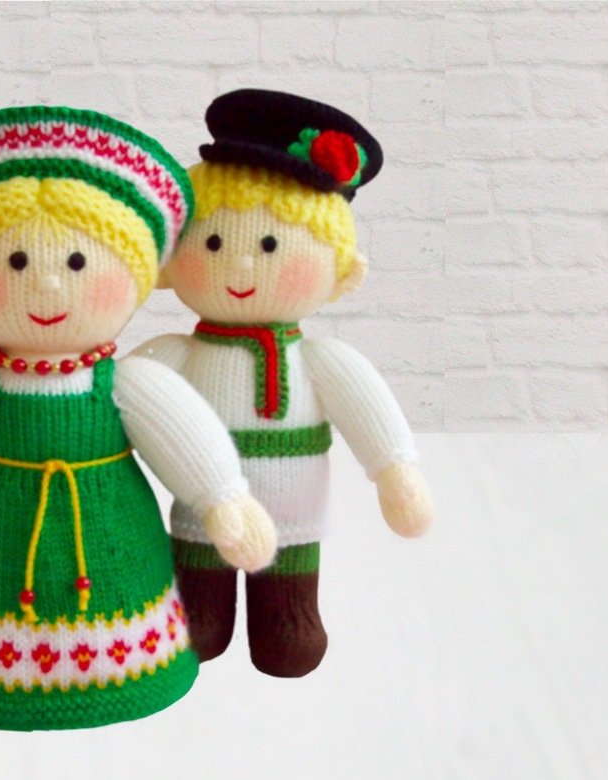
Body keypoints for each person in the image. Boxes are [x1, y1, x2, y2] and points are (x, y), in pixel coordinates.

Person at [0, 105, 277, 729]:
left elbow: (186, 436)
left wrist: (222, 498)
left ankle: (131, 670)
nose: (47, 287)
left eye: (77, 263)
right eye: (15, 262)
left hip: (117, 558)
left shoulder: (124, 384)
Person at [137, 89, 434, 677]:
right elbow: (129, 397)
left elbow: (370, 413)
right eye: (213, 242)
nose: (242, 265)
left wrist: (395, 471)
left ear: (338, 269)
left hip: (293, 515)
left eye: (271, 245)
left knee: (289, 633)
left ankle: (290, 614)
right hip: (203, 513)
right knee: (197, 613)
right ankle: (198, 612)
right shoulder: (177, 355)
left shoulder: (322, 360)